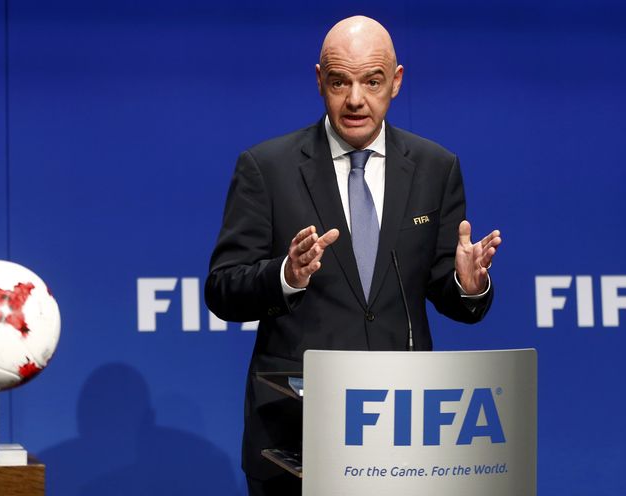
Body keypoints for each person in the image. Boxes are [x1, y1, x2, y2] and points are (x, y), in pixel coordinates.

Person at [205, 15, 501, 496]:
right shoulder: (267, 167)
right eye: (340, 81)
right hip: (296, 438)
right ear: (320, 80)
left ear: (397, 82)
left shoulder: (435, 168)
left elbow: (446, 291)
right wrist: (286, 276)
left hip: (403, 437)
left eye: (372, 81)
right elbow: (222, 289)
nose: (356, 99)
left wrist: (468, 286)